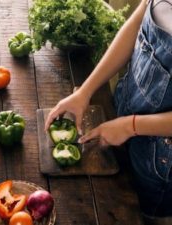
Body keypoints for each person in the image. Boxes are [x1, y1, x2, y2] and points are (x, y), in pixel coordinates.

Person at [45, 0, 172, 223]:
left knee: (134, 216)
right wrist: (85, 91)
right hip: (123, 105)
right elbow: (137, 23)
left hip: (158, 155)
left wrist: (130, 126)